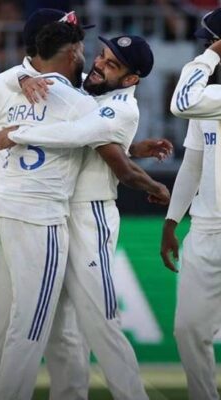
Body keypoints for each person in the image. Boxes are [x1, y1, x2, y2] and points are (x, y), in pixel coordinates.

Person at [0, 34, 170, 400]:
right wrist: (134, 148)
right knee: (61, 328)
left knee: (102, 323)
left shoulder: (121, 107)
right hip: (60, 212)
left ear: (132, 79)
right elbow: (97, 140)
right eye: (101, 55)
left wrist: (17, 133)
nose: (99, 64)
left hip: (91, 215)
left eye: (112, 64)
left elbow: (79, 134)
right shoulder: (94, 99)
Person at [0, 9, 94, 400]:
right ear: (73, 50)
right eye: (80, 45)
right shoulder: (75, 101)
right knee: (29, 327)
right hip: (40, 218)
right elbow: (105, 130)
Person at [165, 8, 221, 399]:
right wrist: (172, 220)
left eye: (210, 41)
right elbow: (194, 162)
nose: (204, 48)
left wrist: (212, 55)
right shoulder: (212, 100)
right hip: (205, 229)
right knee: (188, 329)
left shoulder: (208, 97)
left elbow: (181, 101)